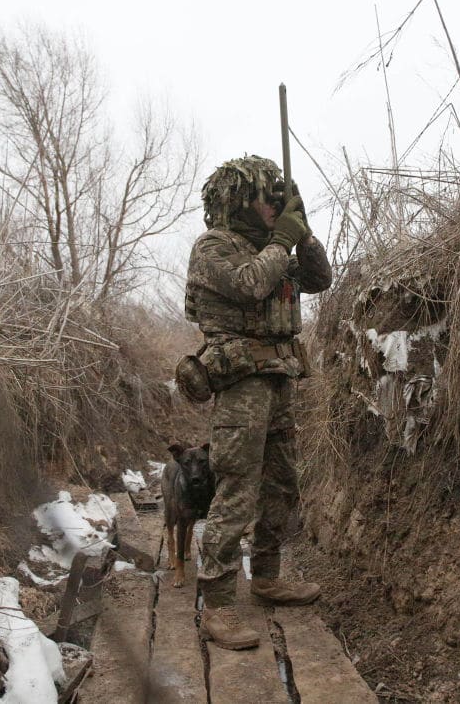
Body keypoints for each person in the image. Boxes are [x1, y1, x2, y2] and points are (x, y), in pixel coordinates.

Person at [184, 155, 332, 650]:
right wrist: (282, 238)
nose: (273, 205)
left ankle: (267, 576)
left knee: (282, 482)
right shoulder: (215, 247)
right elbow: (249, 284)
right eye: (266, 196)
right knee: (236, 489)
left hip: (279, 380)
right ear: (236, 199)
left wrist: (302, 231)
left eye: (278, 196)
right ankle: (220, 603)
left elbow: (319, 279)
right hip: (241, 384)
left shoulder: (274, 247)